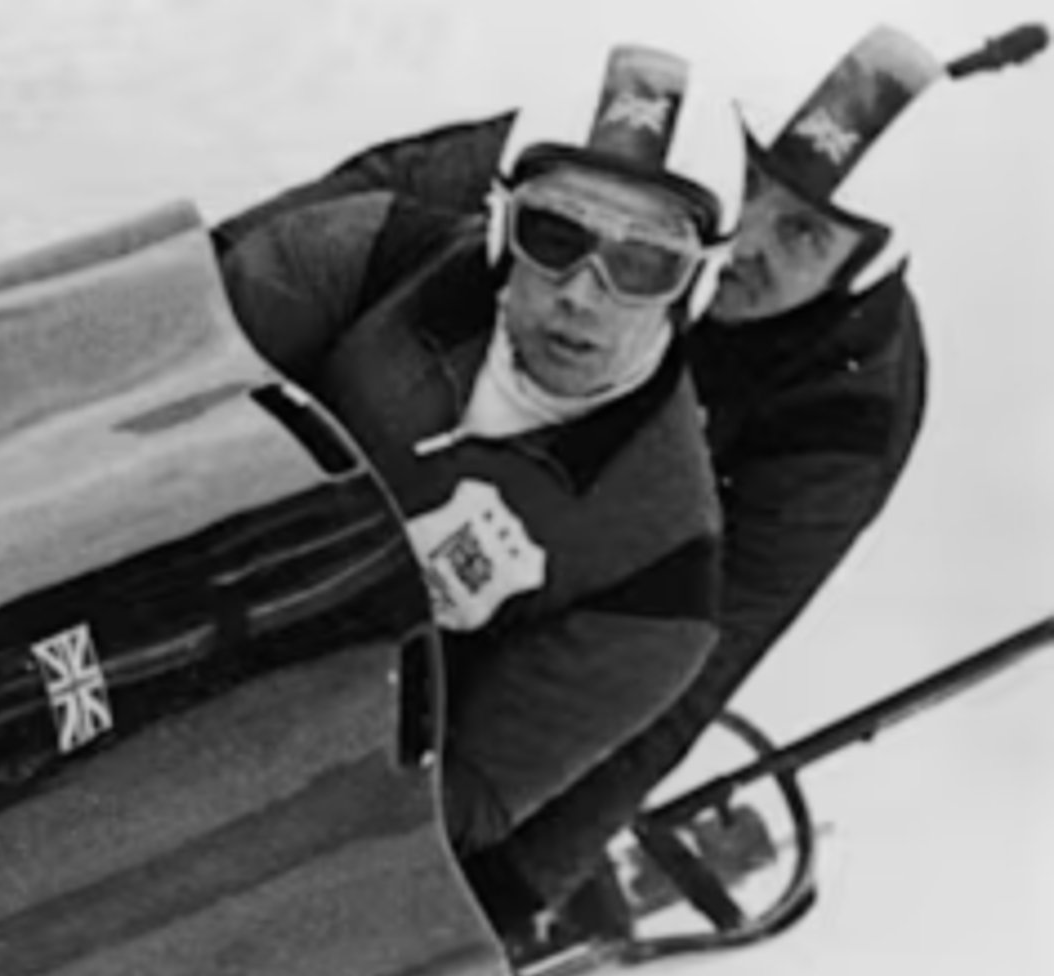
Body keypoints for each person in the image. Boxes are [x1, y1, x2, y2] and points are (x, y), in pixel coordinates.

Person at [218, 24, 947, 933]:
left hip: (541, 586)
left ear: (854, 273)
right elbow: (335, 222)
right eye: (749, 180)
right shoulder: (625, 173)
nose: (748, 234)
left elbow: (703, 653)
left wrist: (508, 888)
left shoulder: (844, 421)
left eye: (801, 232)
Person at [216, 43, 740, 851]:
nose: (582, 293)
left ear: (698, 284)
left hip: (258, 765)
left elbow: (449, 807)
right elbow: (151, 380)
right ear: (501, 226)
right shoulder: (367, 254)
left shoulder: (660, 573)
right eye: (557, 234)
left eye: (643, 262)